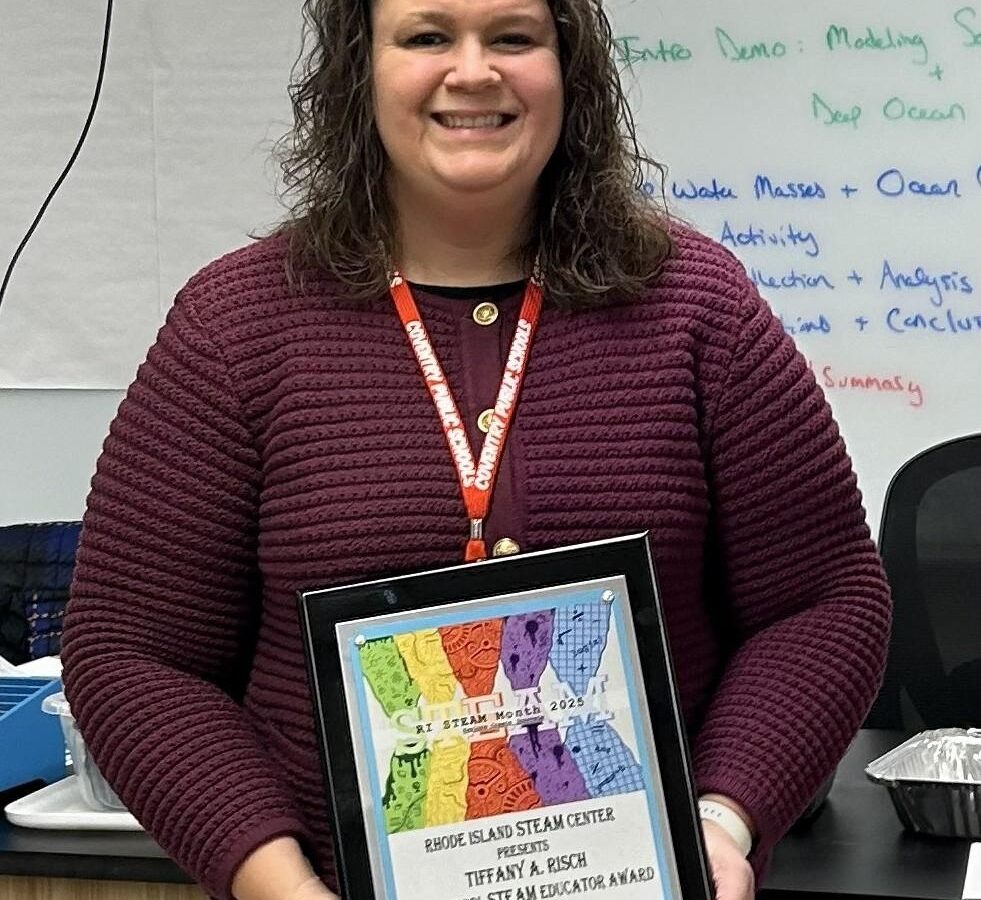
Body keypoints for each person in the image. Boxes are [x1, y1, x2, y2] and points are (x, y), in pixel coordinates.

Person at [60, 0, 891, 898]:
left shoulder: (696, 308)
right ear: (358, 70)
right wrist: (280, 885)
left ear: (569, 69)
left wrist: (722, 825)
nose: (472, 71)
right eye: (426, 36)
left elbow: (825, 602)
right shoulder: (237, 327)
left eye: (512, 37)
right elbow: (131, 653)